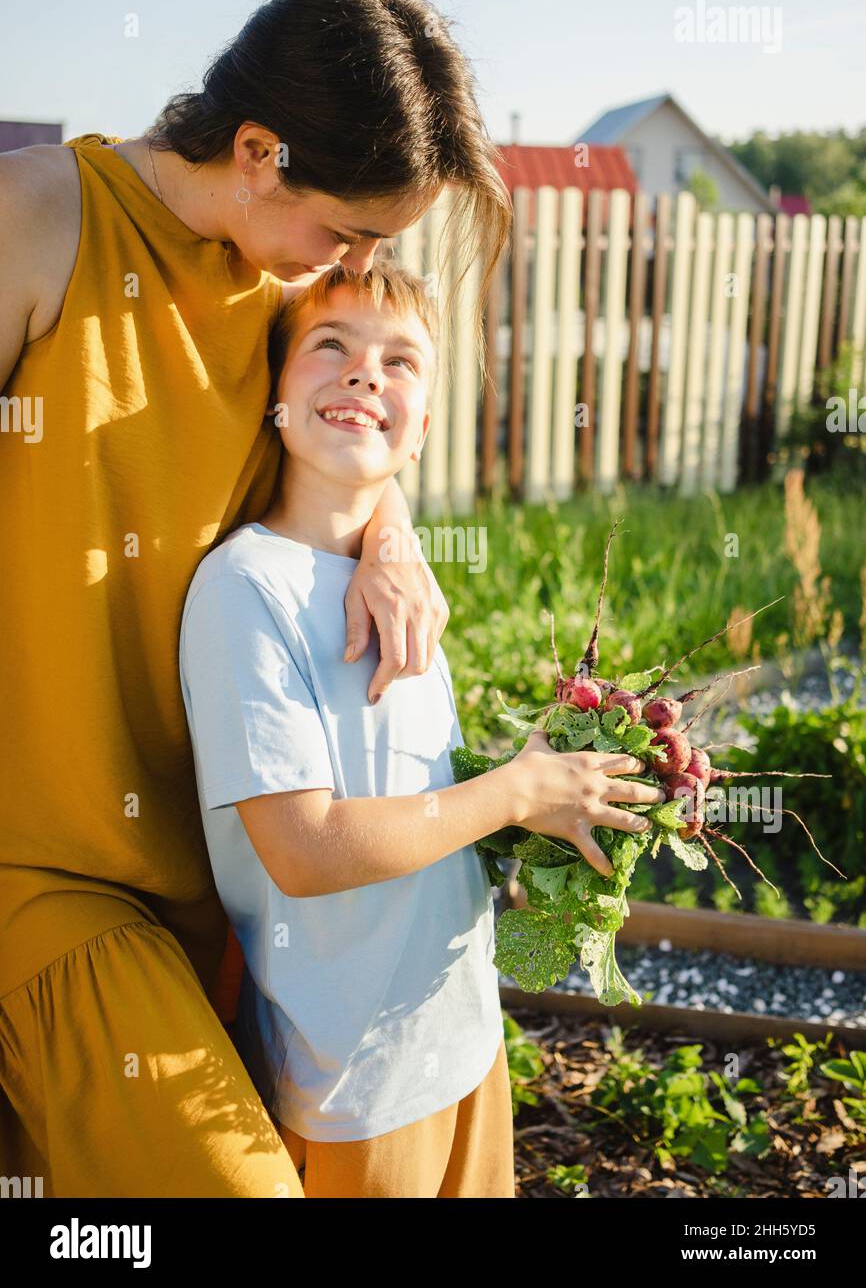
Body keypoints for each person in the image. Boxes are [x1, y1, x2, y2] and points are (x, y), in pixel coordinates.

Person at [0, 0, 512, 1197]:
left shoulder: (279, 288)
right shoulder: (37, 218)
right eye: (348, 230)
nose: (346, 264)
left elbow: (347, 427)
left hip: (218, 879)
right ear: (256, 149)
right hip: (49, 874)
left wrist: (388, 523)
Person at [178, 260, 666, 1198]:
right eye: (331, 347)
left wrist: (542, 808)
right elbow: (307, 852)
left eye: (401, 361)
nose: (366, 374)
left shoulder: (403, 589)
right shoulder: (244, 589)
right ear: (273, 397)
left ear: (422, 434)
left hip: (463, 1039)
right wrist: (511, 791)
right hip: (350, 1077)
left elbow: (420, 802)